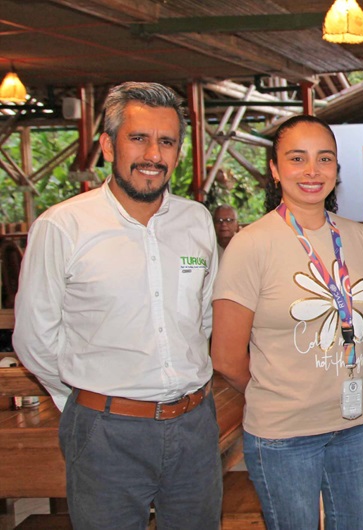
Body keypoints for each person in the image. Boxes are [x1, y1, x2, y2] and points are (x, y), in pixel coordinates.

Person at [13, 82, 221, 529]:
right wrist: (89, 401)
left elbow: (202, 319)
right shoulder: (63, 226)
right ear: (108, 145)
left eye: (166, 141)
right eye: (138, 137)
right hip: (105, 433)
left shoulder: (196, 221)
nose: (153, 153)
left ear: (178, 151)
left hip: (195, 426)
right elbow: (35, 337)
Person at [210, 115, 363, 529]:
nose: (312, 171)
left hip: (357, 426)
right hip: (284, 436)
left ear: (337, 169)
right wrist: (283, 396)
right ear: (275, 168)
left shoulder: (359, 237)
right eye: (297, 158)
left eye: (324, 159)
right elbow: (226, 356)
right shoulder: (251, 245)